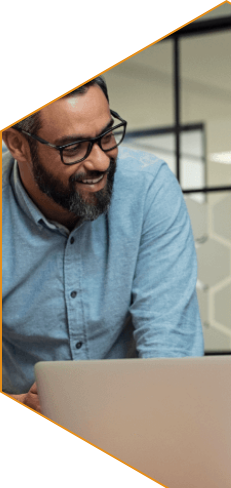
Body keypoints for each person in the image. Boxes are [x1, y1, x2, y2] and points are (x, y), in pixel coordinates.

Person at [2, 76, 204, 413]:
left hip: (138, 414)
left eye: (106, 136)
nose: (100, 162)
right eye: (73, 147)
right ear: (19, 145)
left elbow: (171, 351)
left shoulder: (147, 187)